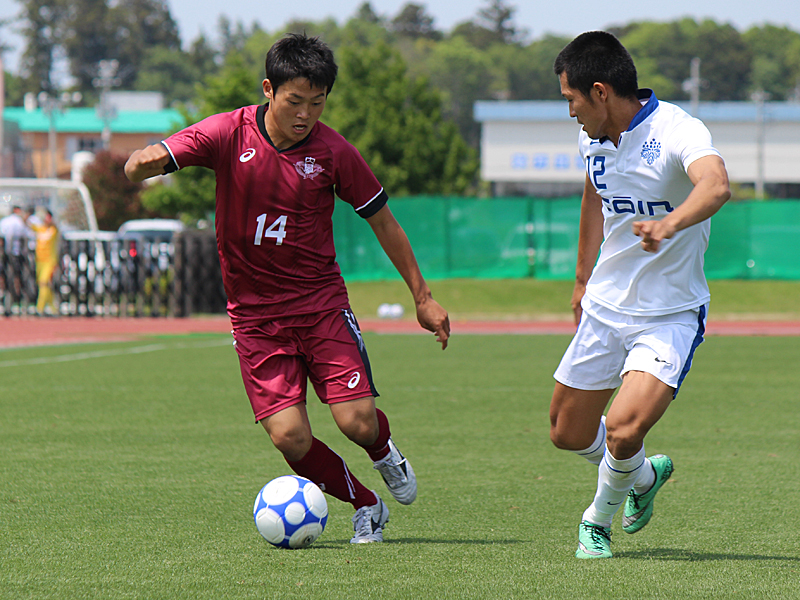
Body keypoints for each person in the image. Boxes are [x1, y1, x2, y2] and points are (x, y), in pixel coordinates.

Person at [124, 33, 450, 544]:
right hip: (256, 319)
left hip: (320, 306)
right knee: (289, 436)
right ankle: (366, 504)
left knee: (358, 422)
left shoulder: (335, 152)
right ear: (268, 90)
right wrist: (141, 164)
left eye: (317, 103)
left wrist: (422, 297)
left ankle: (383, 451)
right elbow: (154, 157)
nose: (305, 114)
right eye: (295, 101)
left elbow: (383, 221)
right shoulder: (227, 133)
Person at [549, 31, 730, 559]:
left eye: (571, 99)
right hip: (606, 307)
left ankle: (596, 520)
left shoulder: (677, 129)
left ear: (600, 92)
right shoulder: (591, 138)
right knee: (566, 431)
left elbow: (716, 185)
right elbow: (593, 196)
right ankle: (644, 476)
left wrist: (668, 224)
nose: (570, 112)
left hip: (669, 313)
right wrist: (582, 279)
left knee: (623, 430)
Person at [0, 205, 35, 313]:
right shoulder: (19, 222)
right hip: (16, 254)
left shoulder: (4, 221)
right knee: (17, 276)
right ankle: (17, 301)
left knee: (4, 276)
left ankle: (5, 300)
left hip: (6, 253)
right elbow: (26, 237)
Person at [27, 209, 60, 315]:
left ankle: (39, 308)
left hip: (49, 261)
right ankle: (53, 308)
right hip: (40, 261)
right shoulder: (40, 229)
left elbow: (56, 228)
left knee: (43, 282)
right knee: (44, 285)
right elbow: (28, 224)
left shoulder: (53, 230)